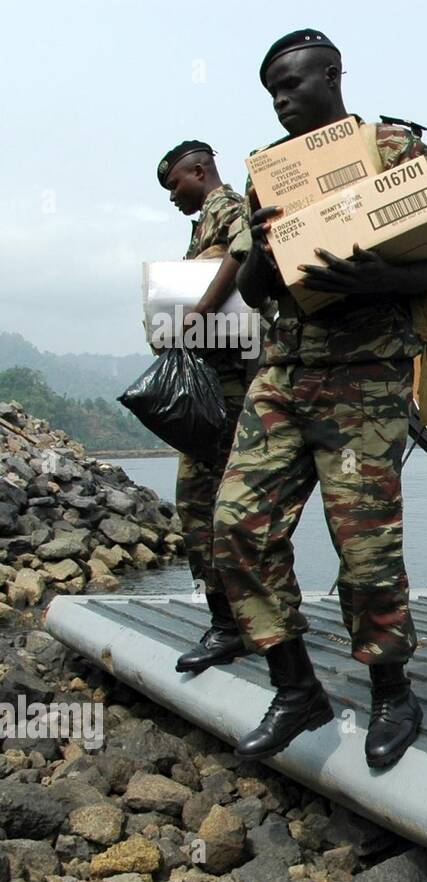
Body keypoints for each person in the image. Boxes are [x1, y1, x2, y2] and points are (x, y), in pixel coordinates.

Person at [215, 28, 427, 770]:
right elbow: (252, 292)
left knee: (365, 550)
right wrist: (258, 247)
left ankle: (391, 692)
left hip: (364, 377)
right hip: (284, 373)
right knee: (237, 528)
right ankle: (295, 687)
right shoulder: (268, 178)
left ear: (333, 76)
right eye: (272, 92)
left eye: (293, 84)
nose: (282, 100)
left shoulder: (394, 152)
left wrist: (364, 278)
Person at [156, 141, 259, 673]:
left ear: (199, 171)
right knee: (206, 507)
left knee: (204, 506)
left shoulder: (228, 208)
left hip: (230, 390)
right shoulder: (203, 223)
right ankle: (235, 621)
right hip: (217, 385)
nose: (173, 197)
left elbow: (241, 254)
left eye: (175, 185)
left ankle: (233, 625)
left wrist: (195, 312)